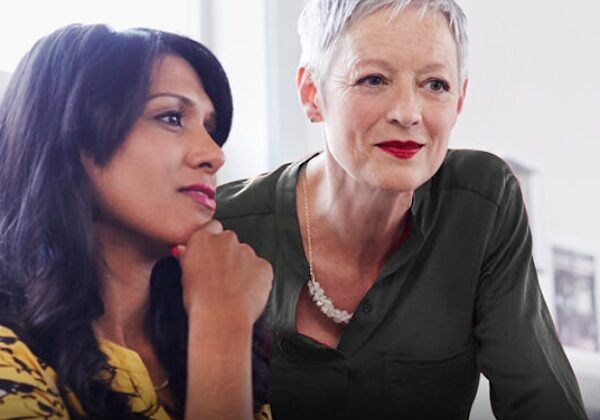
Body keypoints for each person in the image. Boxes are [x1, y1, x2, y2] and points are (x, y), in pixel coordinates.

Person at [216, 0, 588, 419]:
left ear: (460, 99)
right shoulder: (223, 229)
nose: (408, 114)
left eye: (435, 85)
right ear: (312, 94)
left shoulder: (481, 205)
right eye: (373, 79)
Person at [0, 24, 273, 419]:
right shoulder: (11, 356)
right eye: (171, 117)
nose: (214, 155)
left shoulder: (202, 328)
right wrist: (222, 326)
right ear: (72, 134)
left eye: (211, 130)